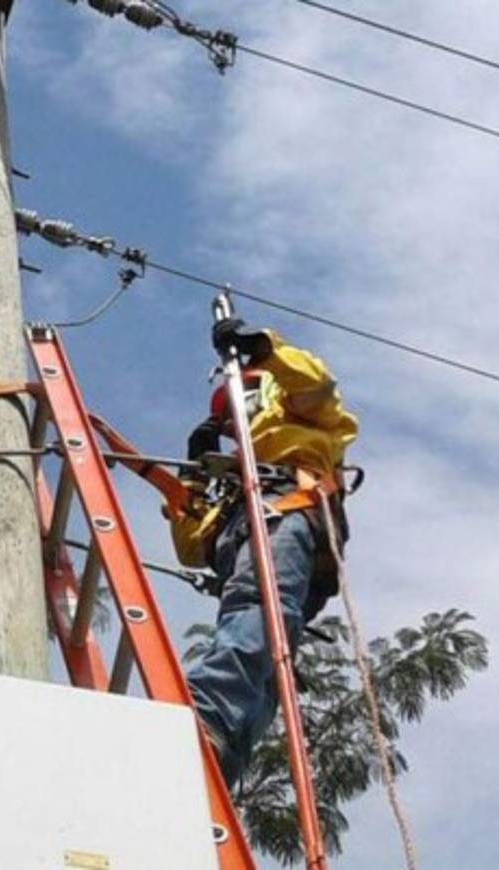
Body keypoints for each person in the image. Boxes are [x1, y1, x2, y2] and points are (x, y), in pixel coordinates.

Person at [169, 316, 359, 788]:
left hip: (285, 512)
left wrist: (262, 350)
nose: (238, 413)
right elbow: (193, 549)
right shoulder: (233, 476)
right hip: (247, 523)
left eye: (246, 396)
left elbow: (316, 384)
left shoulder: (303, 419)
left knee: (259, 606)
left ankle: (207, 709)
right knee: (267, 652)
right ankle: (222, 751)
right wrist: (192, 481)